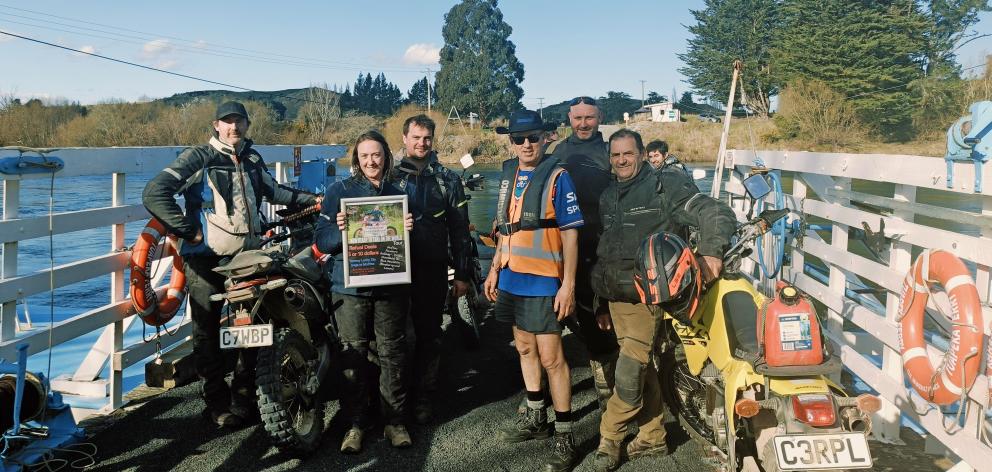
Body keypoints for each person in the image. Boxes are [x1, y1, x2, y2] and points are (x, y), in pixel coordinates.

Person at [142, 101, 317, 428]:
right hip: (205, 259)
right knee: (207, 332)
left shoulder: (251, 158)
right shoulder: (199, 158)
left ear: (247, 125)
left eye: (239, 121)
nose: (233, 127)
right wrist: (188, 231)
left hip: (245, 259)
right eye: (227, 121)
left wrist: (315, 200)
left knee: (250, 329)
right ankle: (217, 404)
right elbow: (155, 192)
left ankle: (243, 397)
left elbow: (275, 191)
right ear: (216, 125)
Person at [589, 129, 736, 471]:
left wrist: (712, 252)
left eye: (628, 153)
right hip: (615, 297)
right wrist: (599, 300)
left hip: (649, 294)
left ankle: (609, 437)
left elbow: (713, 212)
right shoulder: (608, 195)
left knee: (630, 367)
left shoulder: (664, 186)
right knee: (642, 364)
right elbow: (606, 250)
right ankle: (652, 437)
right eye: (615, 155)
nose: (622, 160)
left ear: (642, 154)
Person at [485, 110, 583, 472]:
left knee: (552, 358)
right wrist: (494, 268)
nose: (526, 145)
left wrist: (568, 285)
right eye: (518, 139)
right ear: (510, 142)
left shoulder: (558, 177)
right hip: (511, 276)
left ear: (546, 138)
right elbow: (506, 228)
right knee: (524, 347)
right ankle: (536, 417)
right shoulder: (509, 174)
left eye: (533, 138)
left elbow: (571, 233)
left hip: (544, 279)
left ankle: (565, 434)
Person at [315, 130, 415, 453]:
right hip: (350, 287)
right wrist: (339, 229)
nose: (371, 161)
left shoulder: (398, 193)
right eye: (364, 156)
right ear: (356, 160)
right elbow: (321, 241)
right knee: (352, 355)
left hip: (390, 286)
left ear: (386, 156)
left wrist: (408, 229)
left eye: (377, 155)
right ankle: (356, 424)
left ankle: (394, 422)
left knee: (391, 352)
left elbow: (406, 246)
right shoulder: (337, 192)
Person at [392, 114, 473, 424]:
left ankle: (425, 396)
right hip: (392, 271)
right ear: (404, 138)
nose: (421, 143)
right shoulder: (388, 177)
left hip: (432, 269)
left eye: (427, 138)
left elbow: (460, 231)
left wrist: (463, 274)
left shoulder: (448, 179)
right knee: (393, 337)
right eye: (416, 137)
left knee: (429, 335)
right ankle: (395, 398)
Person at [548, 96, 619, 414]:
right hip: (561, 245)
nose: (583, 124)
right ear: (569, 118)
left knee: (598, 317)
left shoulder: (611, 152)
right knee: (554, 314)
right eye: (578, 118)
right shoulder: (559, 152)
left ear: (600, 117)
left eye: (589, 117)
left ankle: (607, 392)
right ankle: (546, 388)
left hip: (599, 244)